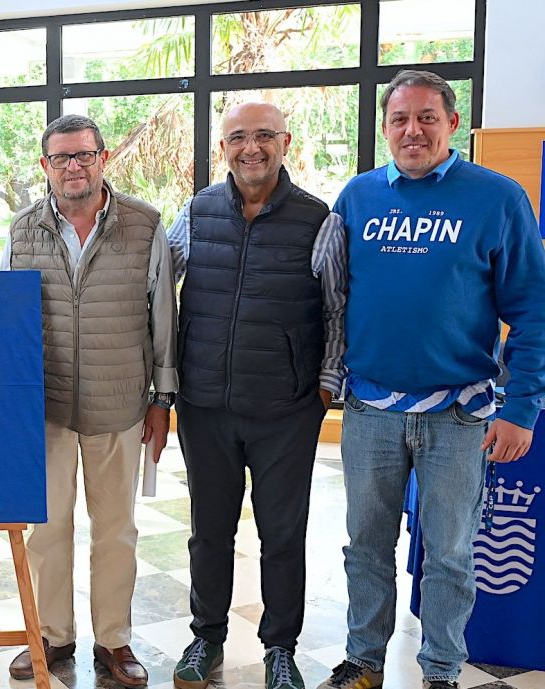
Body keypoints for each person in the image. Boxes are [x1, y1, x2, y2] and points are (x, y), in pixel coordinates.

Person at [316, 69, 545, 689]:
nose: (412, 130)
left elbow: (532, 309)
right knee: (364, 547)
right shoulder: (357, 197)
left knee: (449, 554)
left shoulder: (497, 197)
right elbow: (333, 296)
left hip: (460, 417)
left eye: (426, 118)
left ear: (450, 123)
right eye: (399, 119)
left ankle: (440, 670)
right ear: (385, 128)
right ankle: (363, 661)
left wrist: (522, 408)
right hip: (369, 412)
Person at [165, 102, 345, 689]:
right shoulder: (195, 213)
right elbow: (157, 287)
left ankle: (280, 649)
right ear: (222, 148)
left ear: (284, 142)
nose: (251, 147)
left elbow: (338, 306)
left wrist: (326, 384)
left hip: (286, 410)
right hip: (205, 404)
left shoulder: (319, 218)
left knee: (282, 534)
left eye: (263, 136)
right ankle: (205, 637)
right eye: (238, 137)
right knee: (209, 530)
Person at [0, 113, 178, 687]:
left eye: (83, 155)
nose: (73, 166)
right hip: (45, 407)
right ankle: (51, 635)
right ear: (44, 166)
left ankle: (115, 641)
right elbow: (7, 320)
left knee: (116, 530)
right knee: (47, 529)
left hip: (121, 403)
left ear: (103, 158)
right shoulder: (22, 228)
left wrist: (163, 398)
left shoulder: (145, 225)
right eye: (61, 158)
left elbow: (163, 321)